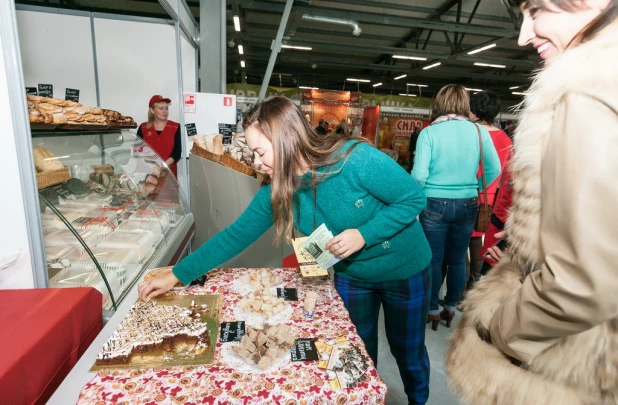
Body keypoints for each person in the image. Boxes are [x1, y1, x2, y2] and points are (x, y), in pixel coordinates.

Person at [139, 96, 434, 405]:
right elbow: (234, 236)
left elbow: (413, 198)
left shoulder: (355, 160)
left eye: (260, 152)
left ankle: (419, 399)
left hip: (405, 269)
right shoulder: (280, 188)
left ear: (286, 140)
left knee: (408, 353)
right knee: (357, 351)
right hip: (354, 274)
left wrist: (364, 234)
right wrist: (177, 274)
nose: (255, 162)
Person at [446, 1, 618, 404]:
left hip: (564, 364)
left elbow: (583, 282)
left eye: (537, 9)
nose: (524, 35)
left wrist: (498, 328)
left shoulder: (586, 90)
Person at [411, 84, 500, 331]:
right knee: (458, 259)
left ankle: (431, 310)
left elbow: (419, 175)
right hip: (468, 203)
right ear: (464, 105)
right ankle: (451, 307)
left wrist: (419, 196)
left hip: (433, 203)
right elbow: (495, 169)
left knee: (433, 260)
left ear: (438, 104)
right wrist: (474, 187)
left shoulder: (429, 133)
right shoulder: (479, 132)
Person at [467, 91, 513, 288]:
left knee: (458, 245)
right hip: (492, 199)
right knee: (479, 243)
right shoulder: (506, 139)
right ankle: (473, 285)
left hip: (468, 193)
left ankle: (454, 292)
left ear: (476, 110)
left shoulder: (470, 134)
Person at [137, 95, 181, 177]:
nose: (165, 111)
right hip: (146, 173)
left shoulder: (175, 127)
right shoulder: (143, 127)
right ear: (152, 110)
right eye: (161, 108)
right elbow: (137, 151)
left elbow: (177, 152)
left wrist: (163, 166)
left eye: (166, 108)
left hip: (168, 174)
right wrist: (151, 166)